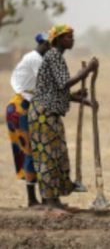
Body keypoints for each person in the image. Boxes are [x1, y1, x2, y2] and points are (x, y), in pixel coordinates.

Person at [28, 24, 98, 216]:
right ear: (57, 40)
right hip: (43, 115)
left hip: (49, 113)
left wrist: (78, 98)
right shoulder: (53, 56)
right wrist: (87, 70)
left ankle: (56, 201)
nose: (72, 40)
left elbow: (57, 91)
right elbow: (63, 84)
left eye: (72, 36)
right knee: (48, 157)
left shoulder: (55, 57)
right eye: (68, 37)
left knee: (57, 156)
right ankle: (50, 205)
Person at [6, 33, 50, 207]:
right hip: (21, 108)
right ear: (46, 44)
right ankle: (32, 200)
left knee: (33, 151)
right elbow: (48, 87)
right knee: (31, 151)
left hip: (23, 105)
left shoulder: (35, 58)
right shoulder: (35, 59)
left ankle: (39, 198)